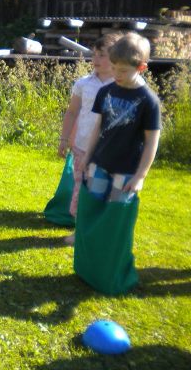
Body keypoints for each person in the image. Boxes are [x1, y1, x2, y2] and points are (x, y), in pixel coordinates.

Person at [77, 32, 161, 203]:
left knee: (117, 210)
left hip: (127, 170)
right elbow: (98, 127)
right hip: (99, 163)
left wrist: (140, 176)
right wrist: (87, 156)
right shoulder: (105, 92)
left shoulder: (149, 101)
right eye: (113, 68)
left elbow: (152, 142)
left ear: (141, 68)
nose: (116, 74)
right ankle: (84, 226)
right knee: (91, 205)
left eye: (123, 70)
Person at [57, 33, 121, 245]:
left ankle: (103, 231)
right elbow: (72, 112)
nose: (96, 59)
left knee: (105, 190)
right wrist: (64, 139)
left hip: (110, 151)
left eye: (102, 55)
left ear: (116, 57)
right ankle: (81, 231)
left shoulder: (123, 85)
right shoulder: (83, 83)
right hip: (82, 147)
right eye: (94, 54)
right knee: (82, 189)